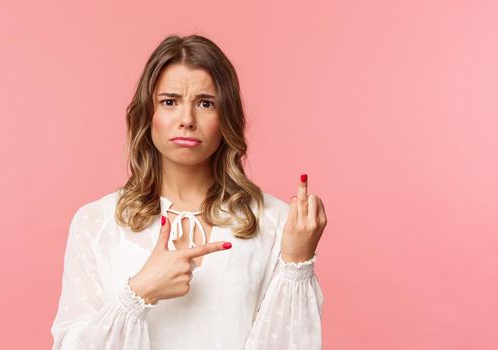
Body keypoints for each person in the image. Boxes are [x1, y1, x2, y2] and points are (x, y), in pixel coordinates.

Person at [50, 34, 328, 349]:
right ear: (148, 114)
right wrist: (139, 292)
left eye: (205, 103)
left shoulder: (275, 222)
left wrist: (296, 262)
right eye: (169, 102)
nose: (187, 120)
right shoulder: (97, 223)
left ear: (226, 117)